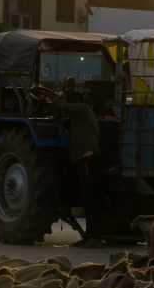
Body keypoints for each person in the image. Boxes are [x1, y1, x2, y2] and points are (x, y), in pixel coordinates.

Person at [38, 77, 106, 247]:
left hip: (88, 159)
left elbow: (65, 107)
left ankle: (95, 237)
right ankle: (91, 235)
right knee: (88, 199)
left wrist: (52, 100)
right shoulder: (82, 116)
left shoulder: (82, 109)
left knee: (91, 200)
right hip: (86, 160)